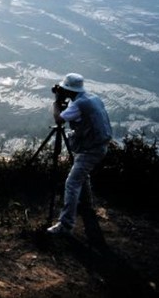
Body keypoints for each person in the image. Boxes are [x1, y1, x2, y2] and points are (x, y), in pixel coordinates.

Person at [46, 73, 112, 238]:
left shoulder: (79, 104)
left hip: (91, 149)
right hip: (100, 145)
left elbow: (59, 120)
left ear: (68, 89)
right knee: (83, 174)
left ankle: (65, 225)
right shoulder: (92, 98)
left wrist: (56, 102)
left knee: (71, 183)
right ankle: (86, 206)